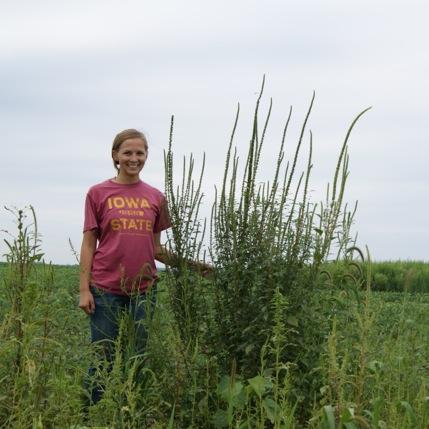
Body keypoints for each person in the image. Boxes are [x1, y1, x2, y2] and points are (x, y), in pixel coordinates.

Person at [79, 128, 210, 406]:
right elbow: (89, 244)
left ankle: (131, 411)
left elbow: (158, 250)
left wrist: (194, 266)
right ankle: (91, 414)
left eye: (140, 153)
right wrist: (84, 290)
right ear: (115, 155)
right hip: (105, 289)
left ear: (146, 155)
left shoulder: (156, 197)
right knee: (102, 356)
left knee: (139, 355)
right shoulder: (98, 193)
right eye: (127, 152)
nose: (133, 158)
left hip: (144, 291)